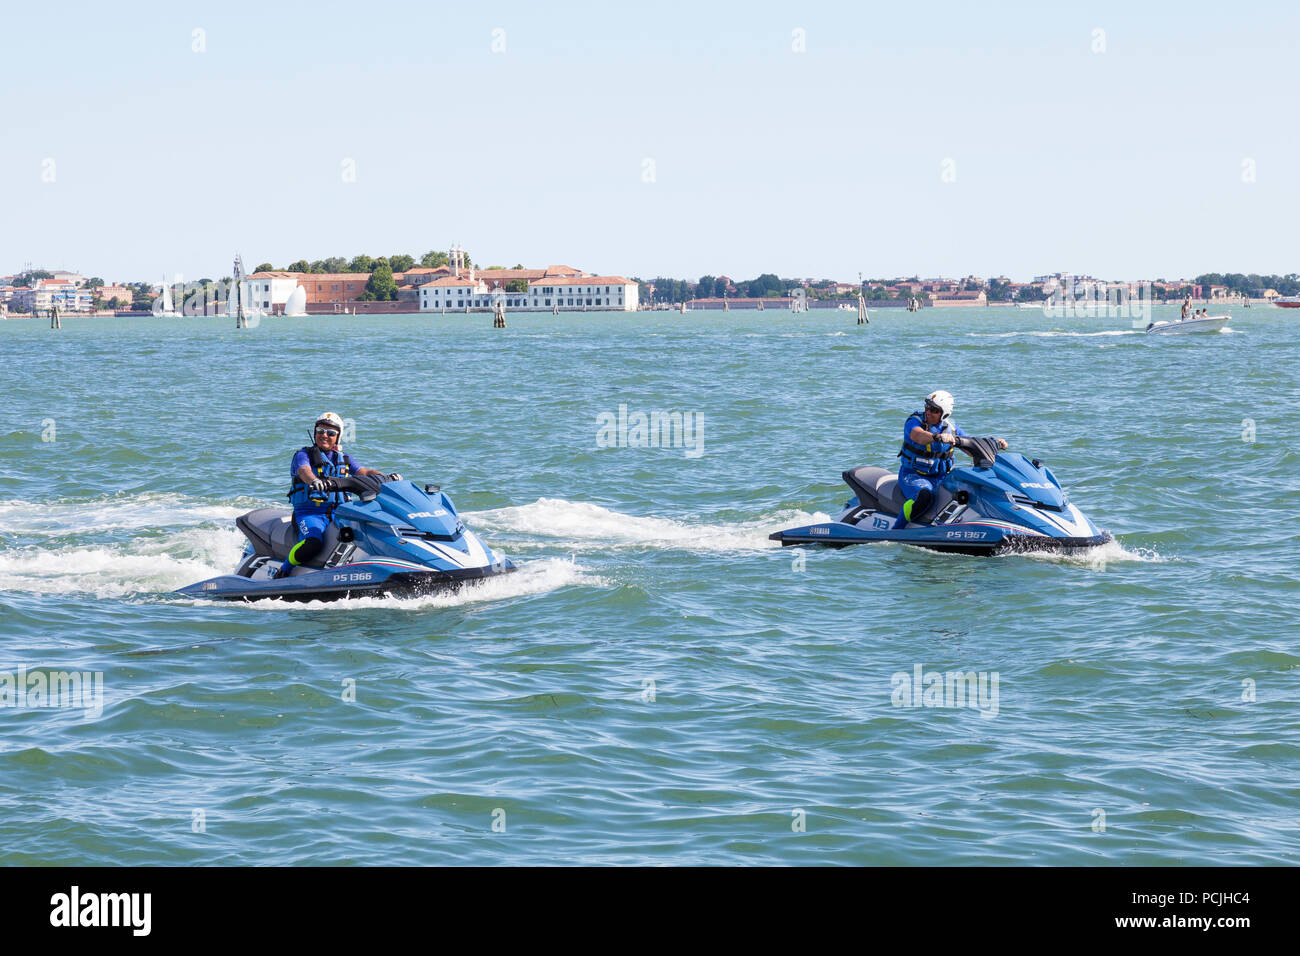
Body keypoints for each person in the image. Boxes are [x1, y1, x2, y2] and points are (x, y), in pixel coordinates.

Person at [273, 412, 400, 578]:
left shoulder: (344, 459)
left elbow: (364, 472)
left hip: (339, 513)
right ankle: (284, 570)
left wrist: (388, 478)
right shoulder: (303, 455)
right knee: (313, 543)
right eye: (320, 431)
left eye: (331, 433)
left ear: (338, 437)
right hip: (310, 514)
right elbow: (304, 471)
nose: (324, 435)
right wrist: (314, 481)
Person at [893, 390, 1007, 529]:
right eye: (927, 407)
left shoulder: (951, 430)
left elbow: (970, 447)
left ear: (944, 414)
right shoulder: (915, 422)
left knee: (970, 493)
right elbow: (917, 435)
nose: (928, 412)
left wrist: (994, 443)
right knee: (924, 496)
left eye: (934, 410)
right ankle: (897, 529)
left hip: (942, 477)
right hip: (913, 476)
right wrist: (937, 437)